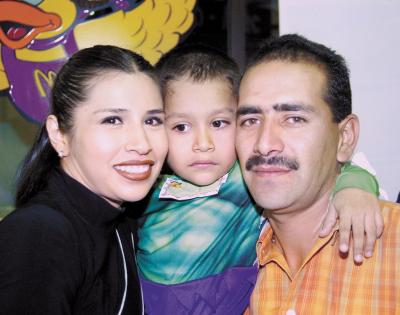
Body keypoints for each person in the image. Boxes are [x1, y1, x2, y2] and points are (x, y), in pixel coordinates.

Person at [136, 45, 383, 314]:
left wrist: (353, 191)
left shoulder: (249, 176)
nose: (202, 144)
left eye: (218, 123)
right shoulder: (147, 187)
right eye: (181, 127)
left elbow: (341, 166)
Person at [236, 34, 400, 314]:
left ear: (345, 138)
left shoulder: (393, 247)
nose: (264, 144)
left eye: (294, 119)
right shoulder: (228, 258)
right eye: (251, 120)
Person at [0, 45, 168, 315]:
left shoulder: (125, 219)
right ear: (59, 135)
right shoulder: (39, 233)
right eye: (113, 120)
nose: (142, 143)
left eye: (153, 121)